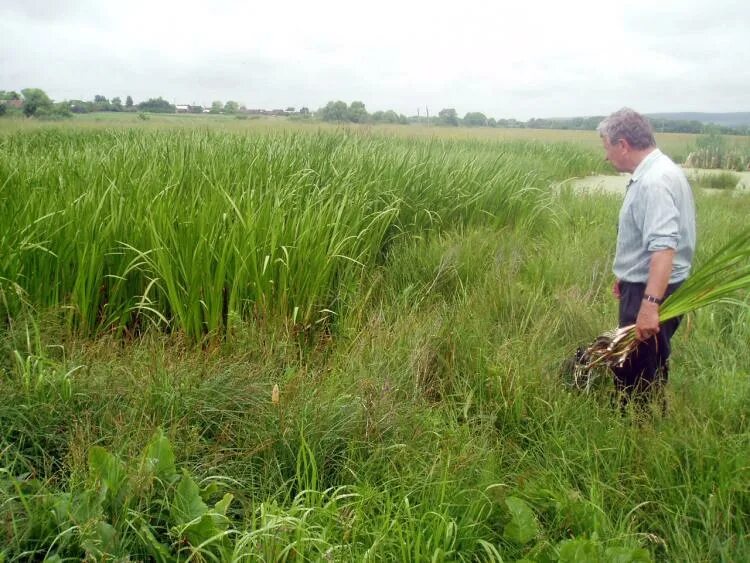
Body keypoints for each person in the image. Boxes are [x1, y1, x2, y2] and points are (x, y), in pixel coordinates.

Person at [597, 108, 696, 411]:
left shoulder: (654, 182)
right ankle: (643, 419)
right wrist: (626, 277)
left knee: (636, 371)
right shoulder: (663, 169)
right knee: (648, 361)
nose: (606, 157)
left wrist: (649, 304)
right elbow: (650, 241)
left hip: (652, 291)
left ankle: (639, 432)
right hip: (646, 284)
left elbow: (664, 247)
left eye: (607, 148)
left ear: (623, 144)